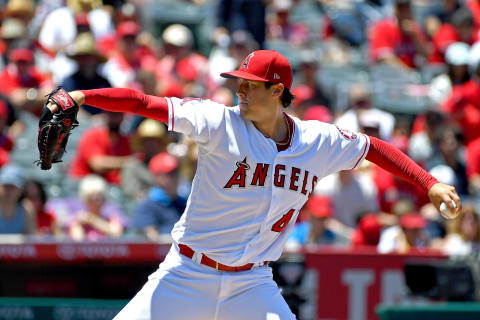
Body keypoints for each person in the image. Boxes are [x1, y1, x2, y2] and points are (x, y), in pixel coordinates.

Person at [46, 49, 461, 319]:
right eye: (238, 82)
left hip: (253, 283)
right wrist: (82, 96)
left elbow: (374, 148)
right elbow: (143, 103)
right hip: (188, 272)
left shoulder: (317, 141)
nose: (240, 90)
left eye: (250, 84)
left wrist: (428, 183)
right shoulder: (217, 121)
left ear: (278, 89)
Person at [133, 152, 187, 242]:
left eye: (176, 172)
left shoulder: (185, 203)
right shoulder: (146, 206)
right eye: (170, 174)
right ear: (157, 177)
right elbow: (152, 239)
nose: (175, 177)